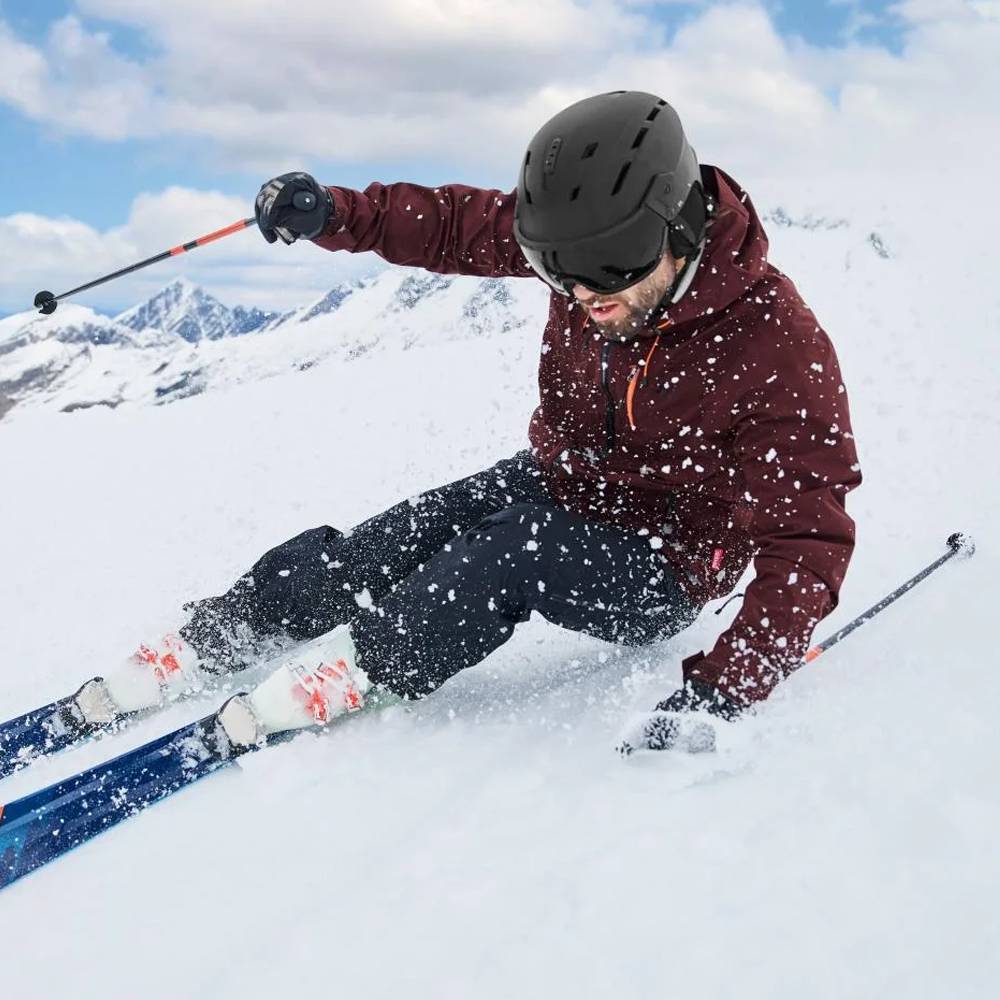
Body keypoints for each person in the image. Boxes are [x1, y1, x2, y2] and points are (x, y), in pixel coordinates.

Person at [76, 91, 861, 751]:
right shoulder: (587, 253)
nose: (587, 298)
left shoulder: (771, 344)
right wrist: (336, 215)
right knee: (406, 532)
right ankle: (235, 627)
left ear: (676, 227)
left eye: (610, 271)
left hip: (668, 563)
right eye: (563, 274)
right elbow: (454, 225)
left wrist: (731, 685)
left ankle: (366, 668)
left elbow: (809, 542)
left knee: (504, 551)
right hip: (567, 480)